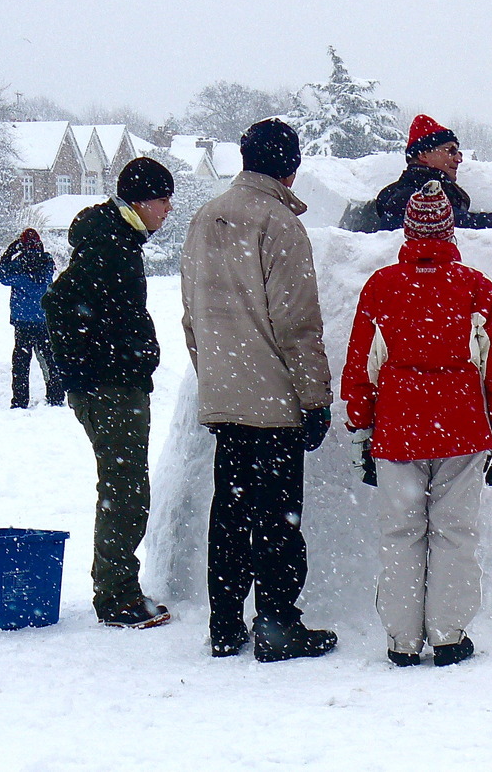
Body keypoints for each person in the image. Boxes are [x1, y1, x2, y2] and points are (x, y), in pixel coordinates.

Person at [342, 180, 492, 667]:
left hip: (397, 431)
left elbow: (362, 367)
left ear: (408, 232)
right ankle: (447, 636)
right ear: (449, 230)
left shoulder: (382, 287)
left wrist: (361, 432)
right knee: (454, 533)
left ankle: (401, 642)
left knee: (400, 534)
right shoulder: (475, 288)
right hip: (462, 430)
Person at [180, 118, 338, 662]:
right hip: (273, 402)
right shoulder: (280, 224)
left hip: (225, 398)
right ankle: (277, 626)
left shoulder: (204, 218)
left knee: (229, 517)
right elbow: (298, 324)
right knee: (277, 522)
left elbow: (192, 317)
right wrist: (315, 399)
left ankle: (225, 625)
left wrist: (213, 381)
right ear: (290, 169)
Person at [42, 157, 174, 630]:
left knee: (125, 487)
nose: (168, 209)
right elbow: (59, 304)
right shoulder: (110, 245)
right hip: (110, 389)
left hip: (115, 384)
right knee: (125, 489)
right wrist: (99, 368)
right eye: (163, 199)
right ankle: (117, 597)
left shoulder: (117, 240)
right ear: (140, 200)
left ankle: (116, 587)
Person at [374, 114, 492, 231]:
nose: (459, 158)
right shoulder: (412, 197)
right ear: (423, 155)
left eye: (459, 152)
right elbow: (469, 227)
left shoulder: (422, 192)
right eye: (451, 150)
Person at [0, 228, 64, 408]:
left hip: (23, 320)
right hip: (43, 318)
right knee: (49, 359)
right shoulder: (47, 262)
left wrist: (10, 252)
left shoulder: (18, 264)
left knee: (21, 363)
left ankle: (20, 400)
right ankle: (56, 396)